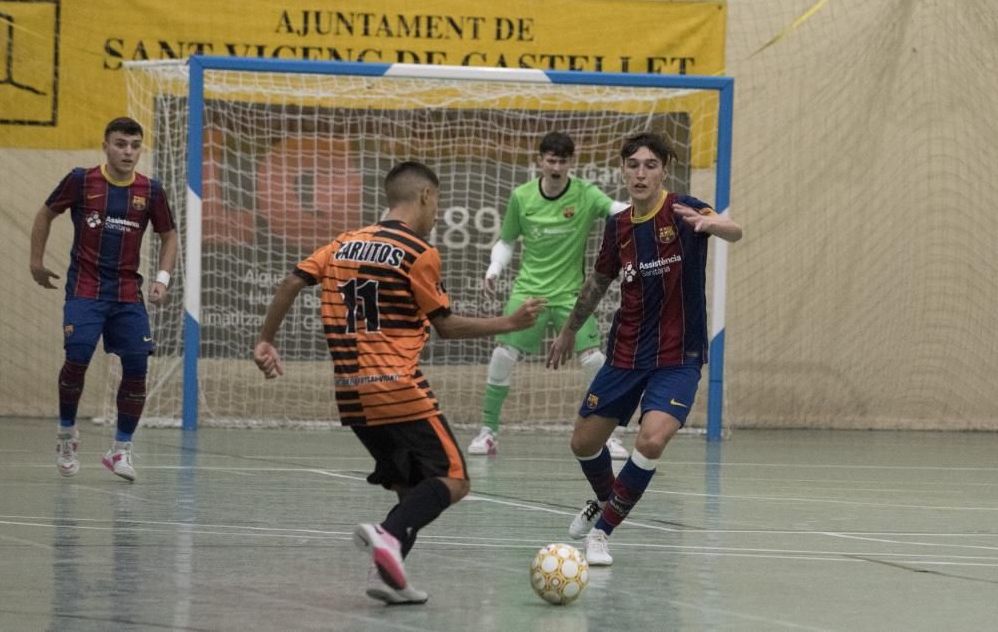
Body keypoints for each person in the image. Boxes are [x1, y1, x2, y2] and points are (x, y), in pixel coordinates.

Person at [253, 161, 545, 605]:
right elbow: (445, 327)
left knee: (413, 490)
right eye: (438, 202)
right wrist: (509, 322)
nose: (437, 211)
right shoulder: (417, 252)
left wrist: (266, 340)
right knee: (454, 479)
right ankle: (387, 537)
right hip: (398, 390)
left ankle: (388, 575)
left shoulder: (342, 243)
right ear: (426, 196)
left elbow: (292, 281)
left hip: (352, 396)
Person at [547, 132, 742, 566]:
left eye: (650, 165)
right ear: (623, 170)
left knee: (651, 440)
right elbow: (598, 282)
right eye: (633, 164)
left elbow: (736, 230)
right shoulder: (618, 227)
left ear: (663, 171)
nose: (641, 172)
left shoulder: (683, 208)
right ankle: (606, 500)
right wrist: (567, 331)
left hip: (679, 355)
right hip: (626, 353)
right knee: (582, 443)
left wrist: (713, 225)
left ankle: (602, 532)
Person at [30, 116, 178, 482]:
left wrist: (162, 279)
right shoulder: (82, 180)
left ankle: (120, 450)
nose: (128, 152)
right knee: (77, 357)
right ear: (106, 146)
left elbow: (169, 235)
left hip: (128, 294)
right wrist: (36, 261)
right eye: (120, 144)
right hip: (85, 289)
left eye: (134, 145)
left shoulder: (151, 191)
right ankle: (67, 435)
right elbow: (46, 213)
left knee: (137, 368)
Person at [468, 131, 630, 458]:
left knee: (595, 361)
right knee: (502, 356)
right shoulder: (521, 196)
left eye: (563, 160)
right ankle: (488, 432)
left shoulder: (585, 194)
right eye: (551, 160)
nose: (556, 166)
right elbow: (507, 239)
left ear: (572, 162)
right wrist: (494, 269)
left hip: (571, 294)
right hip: (529, 291)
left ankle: (607, 436)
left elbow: (618, 210)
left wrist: (657, 206)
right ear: (540, 160)